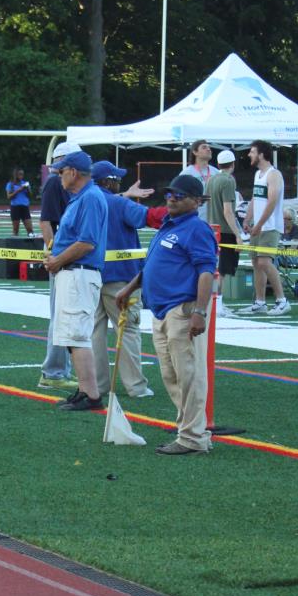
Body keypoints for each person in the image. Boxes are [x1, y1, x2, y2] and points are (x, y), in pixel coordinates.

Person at [115, 173, 217, 455]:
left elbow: (206, 272)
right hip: (162, 310)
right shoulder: (169, 225)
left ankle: (193, 438)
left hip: (182, 309)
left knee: (188, 375)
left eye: (179, 196)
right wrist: (129, 288)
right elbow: (151, 264)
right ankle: (190, 430)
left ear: (196, 201)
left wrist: (200, 312)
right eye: (169, 194)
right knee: (171, 376)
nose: (171, 199)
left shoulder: (196, 229)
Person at [89, 161, 162, 401]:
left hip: (90, 274)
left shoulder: (85, 201)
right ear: (107, 181)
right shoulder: (120, 204)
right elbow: (147, 217)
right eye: (116, 179)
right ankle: (135, 386)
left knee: (94, 331)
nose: (119, 182)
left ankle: (97, 384)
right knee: (128, 329)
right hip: (121, 277)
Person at [45, 150, 108, 413]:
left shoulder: (90, 198)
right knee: (72, 334)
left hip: (79, 273)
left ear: (73, 172)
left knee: (78, 335)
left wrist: (57, 260)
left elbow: (86, 242)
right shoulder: (83, 197)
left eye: (61, 171)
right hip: (73, 273)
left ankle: (91, 395)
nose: (58, 176)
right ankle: (85, 390)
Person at [38, 143, 76, 389]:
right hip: (61, 255)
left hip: (65, 253)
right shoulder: (54, 183)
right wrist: (55, 253)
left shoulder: (64, 184)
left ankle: (60, 370)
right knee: (60, 313)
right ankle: (53, 372)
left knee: (66, 313)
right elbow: (46, 222)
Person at [240, 140, 290, 316]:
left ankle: (282, 301)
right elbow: (255, 198)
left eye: (252, 152)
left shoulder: (273, 174)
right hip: (259, 226)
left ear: (261, 154)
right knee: (256, 263)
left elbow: (272, 201)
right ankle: (260, 302)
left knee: (264, 262)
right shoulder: (258, 174)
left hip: (270, 226)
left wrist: (259, 224)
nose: (249, 155)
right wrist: (247, 219)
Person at [207, 149, 244, 312]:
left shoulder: (211, 179)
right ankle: (218, 305)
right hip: (225, 230)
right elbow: (228, 211)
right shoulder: (228, 181)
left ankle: (215, 304)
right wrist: (238, 234)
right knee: (222, 270)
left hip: (212, 228)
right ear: (233, 164)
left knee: (215, 268)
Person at [184, 141, 216, 223]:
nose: (208, 149)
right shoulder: (187, 173)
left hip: (214, 220)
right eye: (204, 147)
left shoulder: (216, 172)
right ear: (195, 152)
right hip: (195, 220)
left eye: (209, 147)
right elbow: (179, 197)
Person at [5, 168, 35, 236]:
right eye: (20, 174)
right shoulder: (10, 184)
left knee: (30, 229)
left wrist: (28, 189)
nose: (22, 176)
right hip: (15, 207)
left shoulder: (25, 183)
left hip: (25, 207)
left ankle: (31, 241)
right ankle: (14, 241)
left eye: (22, 174)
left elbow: (30, 195)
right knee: (15, 229)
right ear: (15, 175)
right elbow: (9, 197)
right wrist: (18, 190)